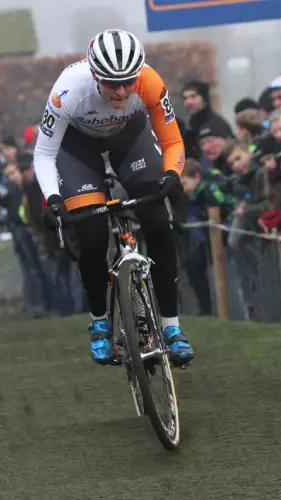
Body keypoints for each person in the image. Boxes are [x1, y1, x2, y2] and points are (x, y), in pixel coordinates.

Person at [32, 29, 194, 366]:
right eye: (110, 83)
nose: (120, 91)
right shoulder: (68, 90)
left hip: (129, 138)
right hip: (78, 149)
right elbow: (45, 153)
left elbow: (173, 142)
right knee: (91, 236)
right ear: (94, 74)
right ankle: (100, 323)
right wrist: (53, 199)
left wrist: (172, 176)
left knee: (157, 221)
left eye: (127, 82)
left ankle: (171, 327)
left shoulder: (149, 81)